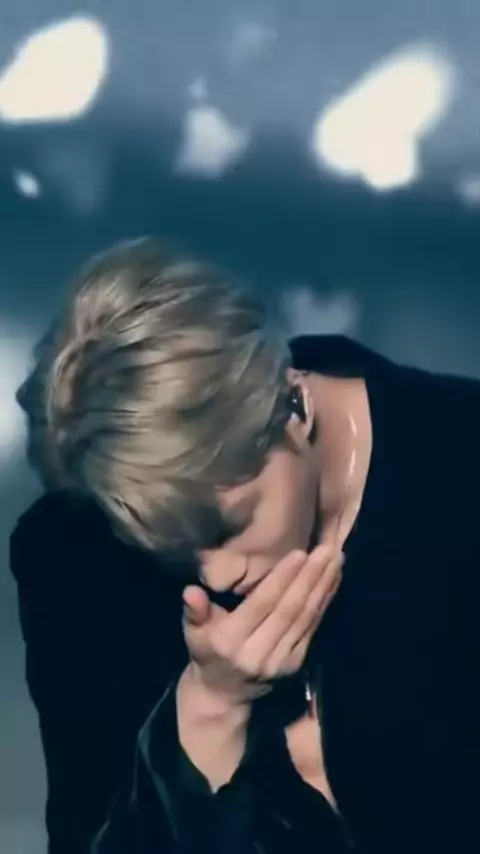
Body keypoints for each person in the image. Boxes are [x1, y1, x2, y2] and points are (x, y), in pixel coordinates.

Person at [10, 237, 480, 854]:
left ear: (293, 407)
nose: (217, 575)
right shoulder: (75, 555)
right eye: (170, 546)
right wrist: (209, 712)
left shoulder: (460, 462)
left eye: (228, 526)